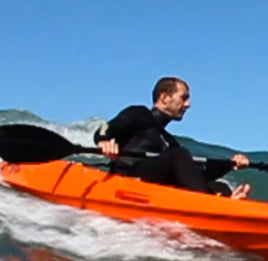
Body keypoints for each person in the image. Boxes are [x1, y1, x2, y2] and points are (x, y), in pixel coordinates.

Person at [94, 77, 252, 199]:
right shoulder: (139, 114)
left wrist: (229, 164)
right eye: (184, 98)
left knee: (220, 186)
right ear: (164, 97)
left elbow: (195, 174)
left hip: (154, 183)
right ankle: (211, 204)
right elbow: (106, 128)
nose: (188, 104)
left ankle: (224, 201)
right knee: (179, 154)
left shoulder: (169, 141)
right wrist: (104, 141)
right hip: (128, 177)